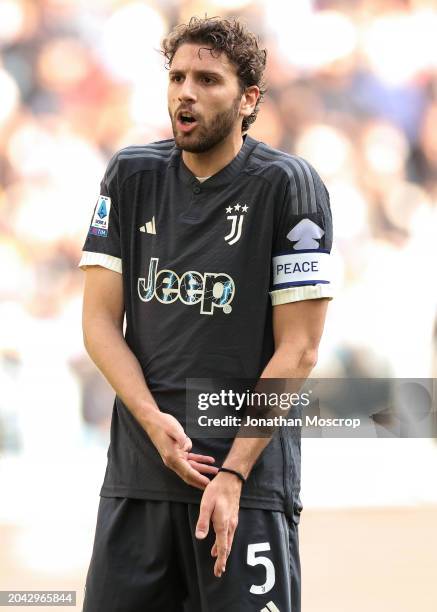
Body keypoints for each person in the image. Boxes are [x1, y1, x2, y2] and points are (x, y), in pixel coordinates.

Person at [79, 15, 333, 612]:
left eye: (207, 80)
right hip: (139, 479)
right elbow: (97, 323)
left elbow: (299, 349)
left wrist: (235, 472)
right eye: (176, 77)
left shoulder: (290, 187)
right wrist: (150, 420)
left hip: (246, 485)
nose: (185, 93)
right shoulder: (130, 174)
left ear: (248, 99)